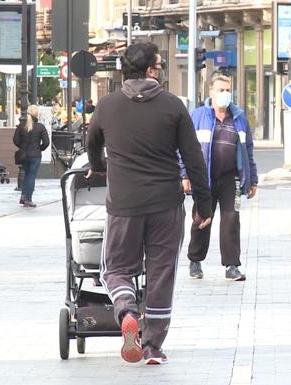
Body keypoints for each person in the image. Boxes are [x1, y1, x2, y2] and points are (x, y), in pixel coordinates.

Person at [86, 41, 212, 364]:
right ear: (152, 70)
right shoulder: (173, 106)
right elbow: (194, 159)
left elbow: (92, 145)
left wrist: (99, 168)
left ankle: (126, 310)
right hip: (167, 204)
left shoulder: (107, 106)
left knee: (114, 268)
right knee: (161, 272)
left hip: (124, 204)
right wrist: (203, 204)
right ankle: (153, 346)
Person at [181, 72, 258, 282]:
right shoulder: (198, 116)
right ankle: (195, 261)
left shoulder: (240, 118)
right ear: (211, 93)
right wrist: (184, 174)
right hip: (203, 178)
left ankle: (232, 265)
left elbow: (248, 150)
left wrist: (252, 180)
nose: (225, 94)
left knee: (231, 219)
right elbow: (185, 149)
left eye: (227, 90)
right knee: (201, 219)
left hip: (230, 179)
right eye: (220, 90)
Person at [13, 105, 49, 208]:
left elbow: (15, 140)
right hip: (35, 155)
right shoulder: (40, 127)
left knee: (26, 175)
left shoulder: (21, 126)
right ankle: (28, 199)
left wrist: (22, 147)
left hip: (24, 155)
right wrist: (39, 148)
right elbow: (46, 142)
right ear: (36, 114)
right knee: (31, 176)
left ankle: (23, 196)